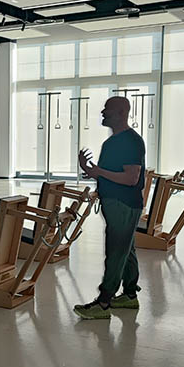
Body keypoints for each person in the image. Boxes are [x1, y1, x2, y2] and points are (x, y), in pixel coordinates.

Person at [74, 96, 145, 320]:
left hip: (123, 204)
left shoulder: (130, 141)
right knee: (126, 250)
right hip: (115, 203)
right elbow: (109, 174)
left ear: (122, 112)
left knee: (116, 252)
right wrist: (90, 170)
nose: (103, 113)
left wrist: (100, 172)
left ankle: (104, 302)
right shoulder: (112, 142)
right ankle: (130, 295)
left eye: (108, 109)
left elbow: (131, 178)